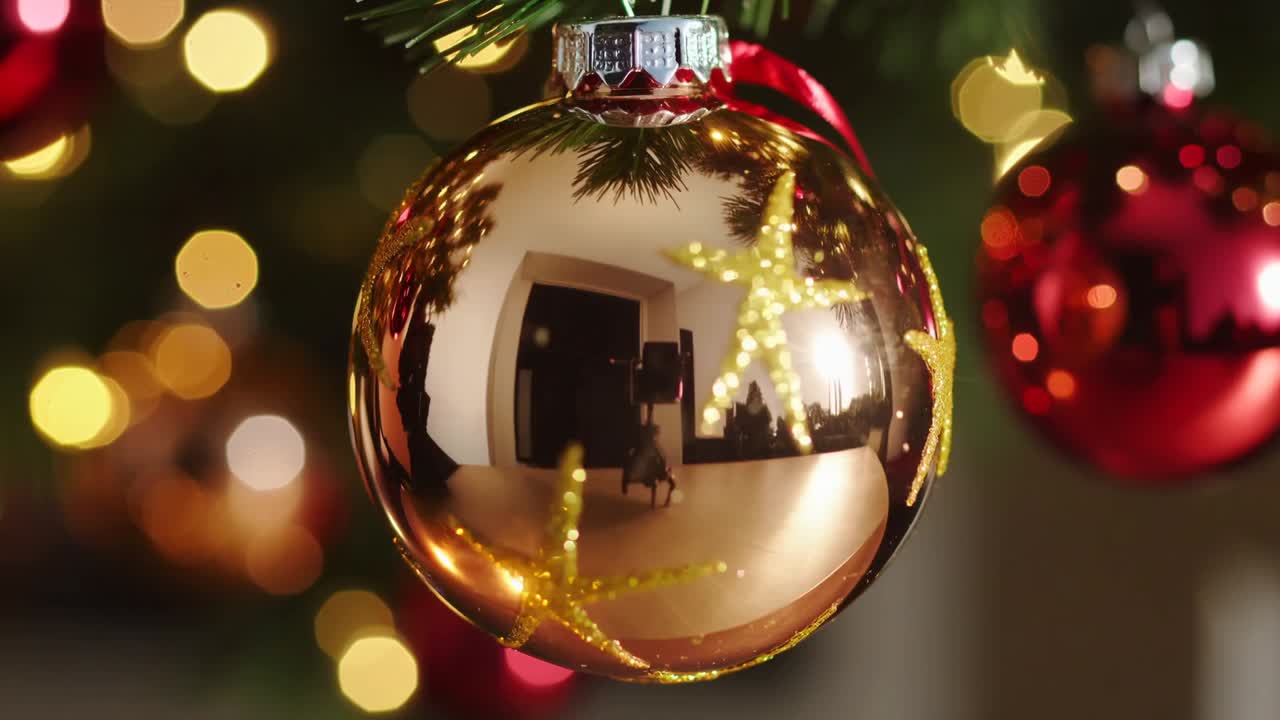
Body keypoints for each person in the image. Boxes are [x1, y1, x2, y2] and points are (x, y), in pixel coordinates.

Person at [622, 424, 676, 508]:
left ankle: (667, 501)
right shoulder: (647, 445)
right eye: (657, 432)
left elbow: (662, 459)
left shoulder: (656, 444)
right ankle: (654, 504)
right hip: (651, 472)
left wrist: (666, 468)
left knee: (673, 482)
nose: (658, 434)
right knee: (656, 482)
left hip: (659, 470)